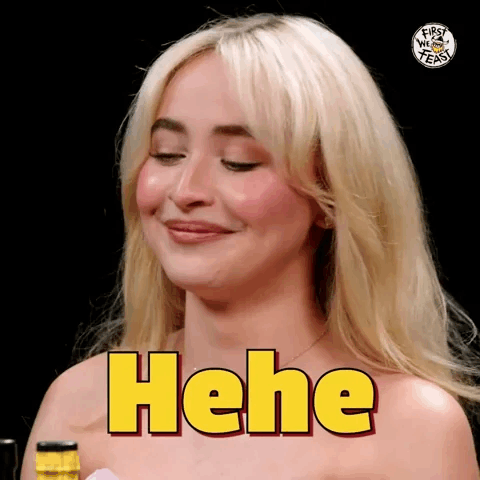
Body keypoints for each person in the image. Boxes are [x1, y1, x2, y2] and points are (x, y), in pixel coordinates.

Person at [22, 12, 480, 479]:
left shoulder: (409, 429)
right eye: (167, 154)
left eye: (238, 162)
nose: (186, 190)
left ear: (331, 195)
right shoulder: (79, 406)